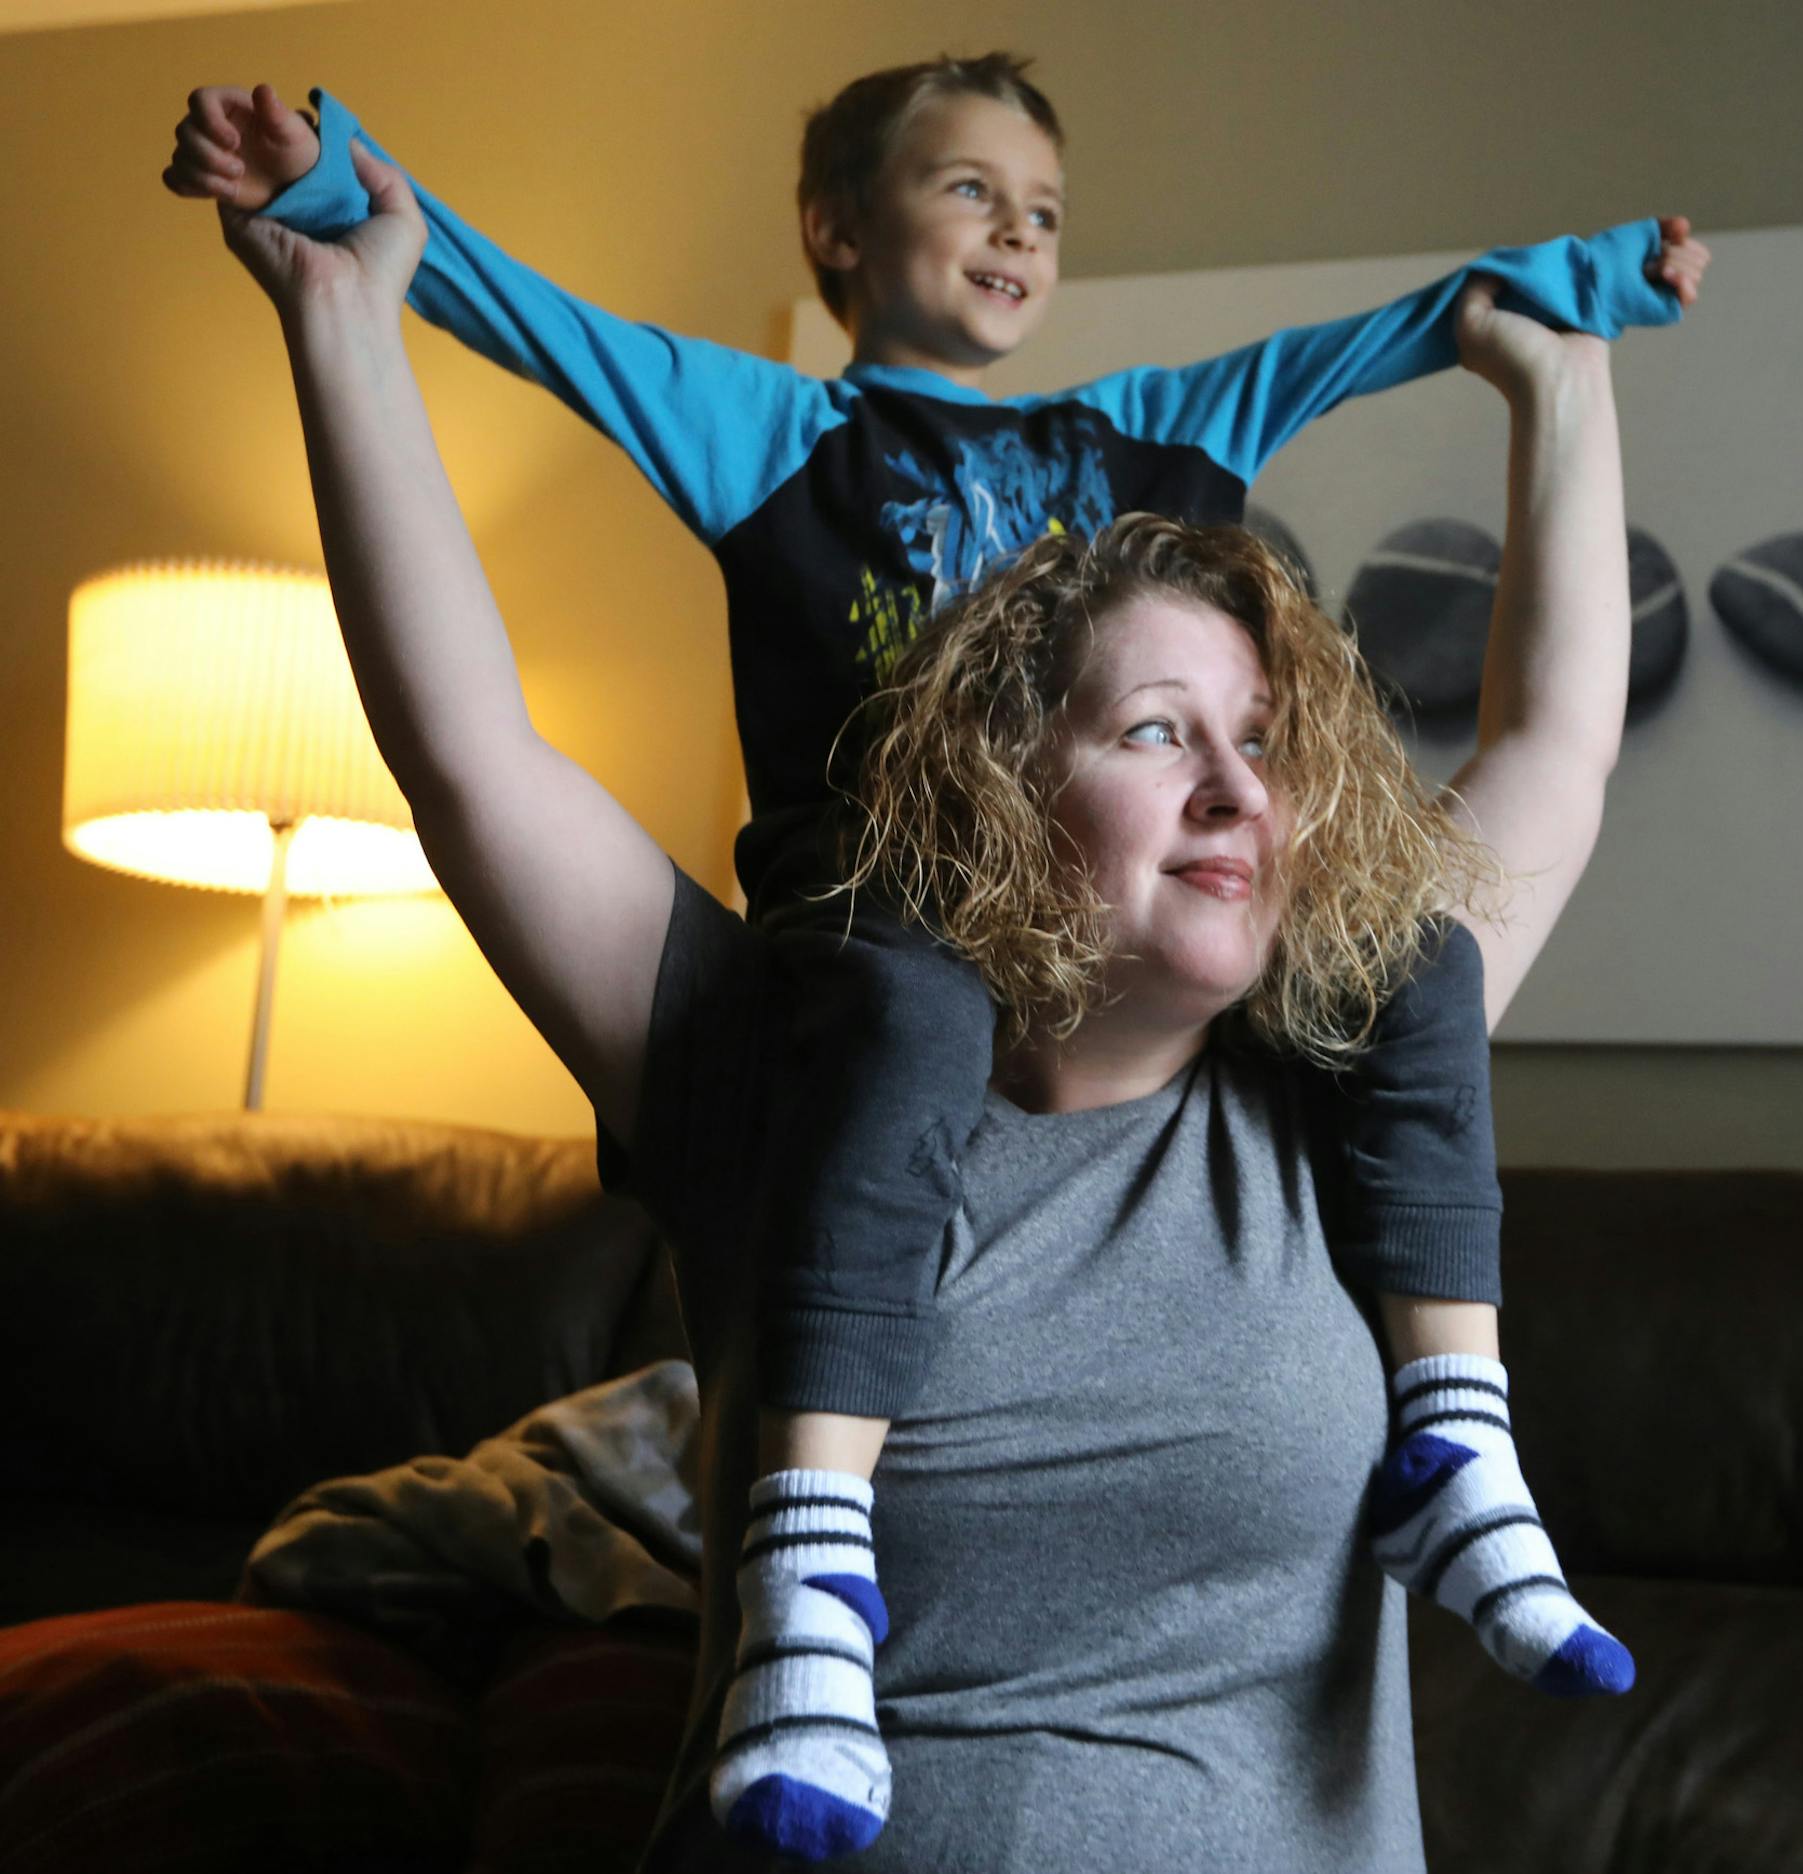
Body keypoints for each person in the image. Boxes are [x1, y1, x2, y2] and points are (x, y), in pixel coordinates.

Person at [169, 54, 1709, 1858]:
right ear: (996, 785)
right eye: (1152, 730)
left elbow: (1555, 752)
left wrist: (1566, 374)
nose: (1235, 785)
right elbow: (469, 753)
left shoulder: (1342, 1086)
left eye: (1265, 738)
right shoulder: (772, 1077)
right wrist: (347, 321)